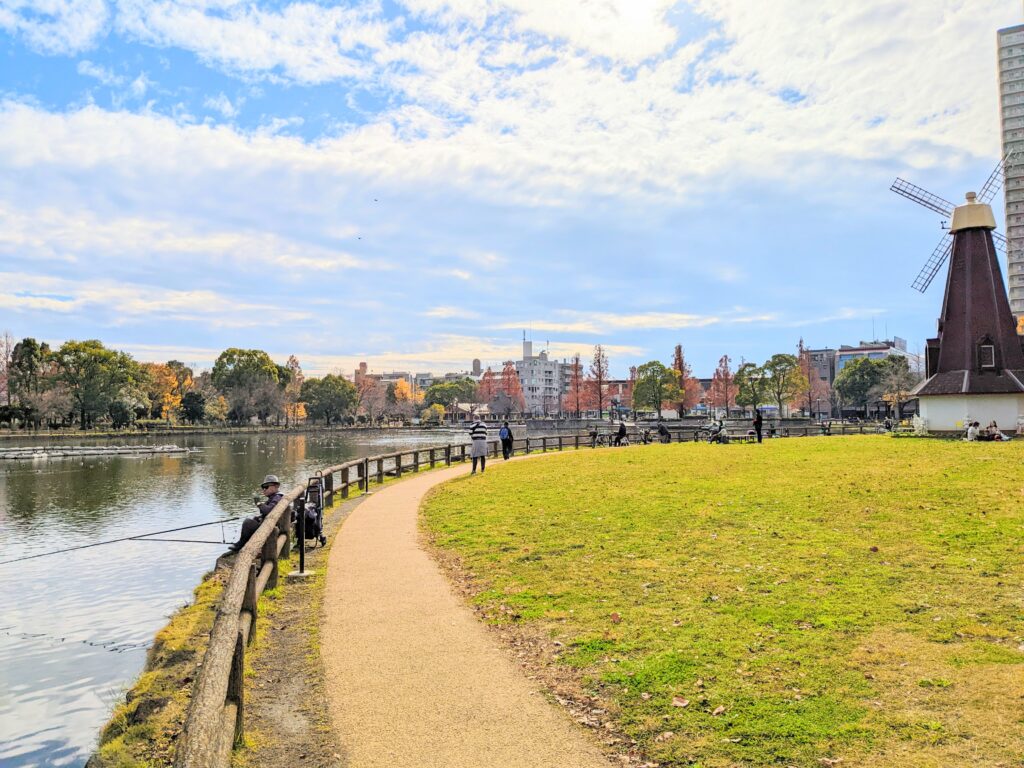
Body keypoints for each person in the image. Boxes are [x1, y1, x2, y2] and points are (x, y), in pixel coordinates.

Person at [229, 474, 283, 553]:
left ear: (275, 486)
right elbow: (266, 512)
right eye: (263, 487)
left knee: (248, 523)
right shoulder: (274, 497)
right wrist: (258, 518)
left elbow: (268, 511)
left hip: (272, 529)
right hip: (270, 525)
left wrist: (259, 503)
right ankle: (245, 544)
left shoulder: (277, 498)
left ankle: (241, 544)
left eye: (266, 487)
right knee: (253, 519)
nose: (264, 490)